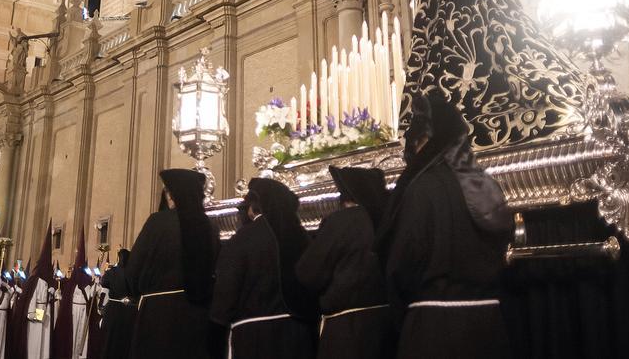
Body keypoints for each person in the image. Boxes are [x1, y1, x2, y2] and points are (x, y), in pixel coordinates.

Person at [377, 93, 513, 359]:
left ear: (425, 140)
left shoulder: (421, 187)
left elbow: (401, 264)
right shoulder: (486, 184)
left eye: (417, 142)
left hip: (434, 328)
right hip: (489, 326)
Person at [210, 177, 316, 359]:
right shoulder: (302, 236)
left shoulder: (243, 238)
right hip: (298, 334)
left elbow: (227, 288)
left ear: (252, 209)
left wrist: (216, 328)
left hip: (255, 336)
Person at [296, 166, 395, 359]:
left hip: (348, 330)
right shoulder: (390, 217)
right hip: (389, 325)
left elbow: (309, 273)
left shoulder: (341, 221)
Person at [126, 169, 220, 358]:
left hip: (157, 316)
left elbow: (132, 271)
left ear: (172, 195)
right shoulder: (209, 225)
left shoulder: (156, 222)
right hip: (198, 316)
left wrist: (137, 293)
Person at [5, 224, 57, 359]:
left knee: (44, 342)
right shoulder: (35, 280)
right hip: (38, 314)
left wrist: (51, 294)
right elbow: (32, 299)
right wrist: (37, 314)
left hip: (46, 313)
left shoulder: (48, 281)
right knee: (35, 342)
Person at [53, 228, 95, 359]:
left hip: (83, 311)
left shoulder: (87, 282)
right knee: (72, 334)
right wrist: (59, 293)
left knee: (82, 335)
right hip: (73, 311)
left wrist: (96, 286)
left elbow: (90, 297)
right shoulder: (71, 283)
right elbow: (64, 295)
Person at [98, 249, 133, 359]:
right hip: (128, 310)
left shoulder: (112, 272)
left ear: (118, 258)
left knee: (110, 339)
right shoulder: (132, 273)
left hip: (113, 309)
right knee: (125, 340)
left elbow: (104, 283)